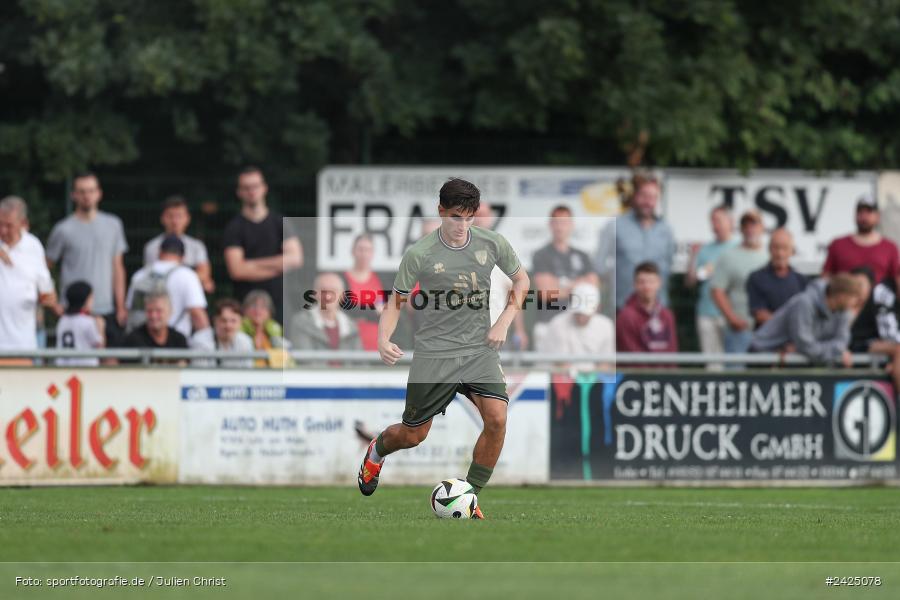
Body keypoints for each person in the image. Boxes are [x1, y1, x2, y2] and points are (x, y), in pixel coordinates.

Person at [358, 178, 530, 519]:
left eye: (469, 217)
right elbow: (395, 303)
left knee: (497, 419)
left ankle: (469, 496)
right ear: (441, 211)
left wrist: (503, 321)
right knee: (413, 435)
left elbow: (522, 280)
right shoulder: (419, 253)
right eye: (455, 217)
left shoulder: (492, 243)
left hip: (479, 350)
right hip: (434, 354)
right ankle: (377, 450)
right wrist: (383, 339)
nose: (462, 225)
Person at [46, 172, 128, 345]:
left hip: (106, 309)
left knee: (111, 359)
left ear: (99, 193)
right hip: (74, 311)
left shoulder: (113, 225)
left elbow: (118, 267)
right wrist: (55, 304)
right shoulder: (63, 229)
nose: (87, 196)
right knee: (77, 360)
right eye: (82, 191)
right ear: (73, 195)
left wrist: (121, 306)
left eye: (91, 191)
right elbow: (46, 267)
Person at [223, 166, 303, 323]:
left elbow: (295, 259)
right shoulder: (234, 228)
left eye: (255, 186)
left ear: (264, 188)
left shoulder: (280, 223)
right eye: (246, 187)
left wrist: (251, 265)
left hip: (279, 305)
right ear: (239, 192)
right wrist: (278, 267)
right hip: (245, 306)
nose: (251, 191)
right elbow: (237, 270)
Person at [596, 172, 675, 310]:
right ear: (634, 196)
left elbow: (668, 265)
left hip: (657, 307)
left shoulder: (666, 230)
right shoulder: (615, 225)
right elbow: (599, 264)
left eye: (653, 197)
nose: (648, 202)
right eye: (644, 195)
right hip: (622, 304)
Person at [749, 275, 861, 366]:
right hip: (763, 357)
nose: (856, 302)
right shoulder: (804, 302)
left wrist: (836, 350)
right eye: (854, 297)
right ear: (842, 296)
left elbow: (842, 341)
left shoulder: (843, 311)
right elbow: (806, 346)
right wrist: (835, 351)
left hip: (789, 361)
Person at [532, 205, 598, 350]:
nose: (560, 227)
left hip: (577, 325)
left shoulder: (583, 256)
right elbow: (546, 292)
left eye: (564, 222)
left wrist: (561, 285)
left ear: (572, 225)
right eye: (556, 222)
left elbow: (592, 288)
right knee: (546, 364)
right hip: (548, 322)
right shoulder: (541, 255)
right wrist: (579, 286)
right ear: (550, 224)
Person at [0, 196, 58, 358]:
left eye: (9, 225)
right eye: (0, 224)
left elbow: (46, 289)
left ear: (23, 223)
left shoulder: (33, 246)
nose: (3, 230)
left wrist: (49, 299)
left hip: (23, 343)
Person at [126, 235, 209, 339]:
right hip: (174, 342)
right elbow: (197, 314)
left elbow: (129, 311)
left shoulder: (140, 275)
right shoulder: (187, 275)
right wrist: (208, 341)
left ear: (159, 253)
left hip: (140, 341)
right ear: (183, 257)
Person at [710, 210, 768, 353]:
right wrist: (732, 319)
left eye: (754, 225)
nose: (750, 229)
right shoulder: (729, 256)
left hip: (767, 331)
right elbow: (717, 290)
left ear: (762, 227)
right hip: (740, 330)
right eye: (746, 225)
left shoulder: (770, 256)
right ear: (741, 229)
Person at [474, 201, 529, 349]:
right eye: (475, 214)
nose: (479, 219)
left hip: (496, 332)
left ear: (490, 218)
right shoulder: (456, 249)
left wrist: (519, 330)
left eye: (483, 215)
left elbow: (515, 290)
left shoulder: (503, 249)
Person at [685, 205, 736, 354]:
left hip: (732, 314)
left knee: (734, 361)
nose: (715, 225)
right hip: (706, 313)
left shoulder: (740, 247)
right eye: (712, 221)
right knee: (711, 363)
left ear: (730, 221)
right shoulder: (704, 249)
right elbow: (690, 283)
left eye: (718, 220)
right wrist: (693, 257)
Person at [823, 193, 899, 285]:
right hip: (845, 293)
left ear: (877, 216)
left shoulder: (889, 247)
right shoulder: (838, 245)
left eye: (869, 212)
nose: (864, 216)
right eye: (860, 212)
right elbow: (825, 277)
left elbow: (897, 278)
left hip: (879, 293)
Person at [143, 195, 215, 293]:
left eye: (179, 216)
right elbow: (149, 276)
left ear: (187, 218)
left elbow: (204, 274)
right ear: (162, 218)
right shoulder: (151, 246)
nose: (175, 221)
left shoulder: (197, 246)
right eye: (170, 216)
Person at [537, 282, 614, 371]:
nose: (581, 318)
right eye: (578, 313)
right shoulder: (558, 324)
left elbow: (606, 363)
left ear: (597, 307)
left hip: (594, 376)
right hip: (562, 376)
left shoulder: (606, 326)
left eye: (585, 314)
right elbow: (560, 364)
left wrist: (593, 377)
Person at [288, 272, 362, 352]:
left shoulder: (351, 326)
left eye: (333, 290)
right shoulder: (301, 322)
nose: (328, 296)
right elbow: (304, 357)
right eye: (323, 290)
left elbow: (359, 358)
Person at [747, 228, 807, 326]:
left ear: (792, 251)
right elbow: (759, 313)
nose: (780, 253)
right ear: (769, 249)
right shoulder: (756, 278)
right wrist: (787, 324)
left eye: (785, 248)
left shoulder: (801, 280)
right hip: (767, 335)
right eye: (776, 247)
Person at [615, 262, 678, 354]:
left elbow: (672, 352)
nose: (647, 286)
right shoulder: (625, 316)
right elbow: (631, 356)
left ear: (659, 283)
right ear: (634, 284)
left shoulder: (667, 315)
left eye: (651, 281)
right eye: (642, 282)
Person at [342, 233, 385, 351]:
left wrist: (360, 311)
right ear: (353, 251)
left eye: (368, 250)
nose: (364, 254)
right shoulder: (342, 279)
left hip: (378, 345)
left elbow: (389, 311)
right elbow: (345, 310)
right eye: (360, 249)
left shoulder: (381, 280)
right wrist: (374, 310)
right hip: (350, 345)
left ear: (373, 253)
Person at [123, 292, 190, 361]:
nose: (153, 316)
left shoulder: (179, 340)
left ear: (169, 312)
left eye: (159, 311)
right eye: (149, 311)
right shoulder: (133, 340)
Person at [191, 299, 254, 368]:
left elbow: (247, 371)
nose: (228, 325)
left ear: (241, 322)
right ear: (215, 321)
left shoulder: (245, 341)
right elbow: (200, 372)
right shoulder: (200, 340)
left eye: (233, 321)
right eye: (223, 320)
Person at [55, 281, 105, 367]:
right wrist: (101, 327)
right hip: (85, 367)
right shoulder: (88, 321)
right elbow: (100, 348)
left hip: (64, 368)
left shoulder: (62, 320)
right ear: (85, 300)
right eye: (91, 298)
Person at [241, 289, 289, 366]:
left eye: (263, 306)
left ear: (270, 312)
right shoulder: (236, 330)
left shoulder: (278, 331)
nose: (257, 310)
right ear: (245, 310)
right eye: (253, 306)